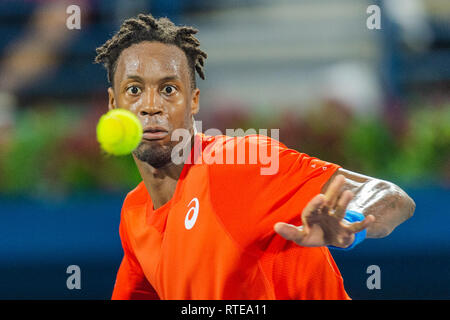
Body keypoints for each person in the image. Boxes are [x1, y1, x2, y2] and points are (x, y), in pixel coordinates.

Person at [94, 13, 415, 300]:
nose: (151, 105)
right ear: (113, 103)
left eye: (168, 89)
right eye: (134, 89)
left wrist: (350, 222)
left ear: (193, 102)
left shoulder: (236, 163)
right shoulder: (135, 213)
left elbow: (394, 199)